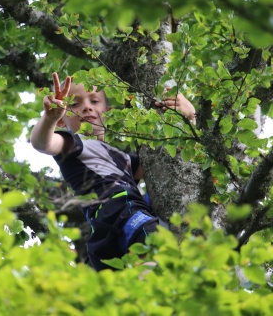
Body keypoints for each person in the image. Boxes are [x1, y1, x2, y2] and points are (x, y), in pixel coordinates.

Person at [31, 72, 196, 271]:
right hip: (120, 213)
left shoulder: (121, 158)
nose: (86, 107)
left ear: (108, 111)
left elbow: (172, 167)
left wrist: (189, 119)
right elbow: (43, 143)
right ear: (61, 121)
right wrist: (49, 119)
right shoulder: (75, 143)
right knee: (160, 248)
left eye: (94, 101)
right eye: (74, 104)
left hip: (109, 235)